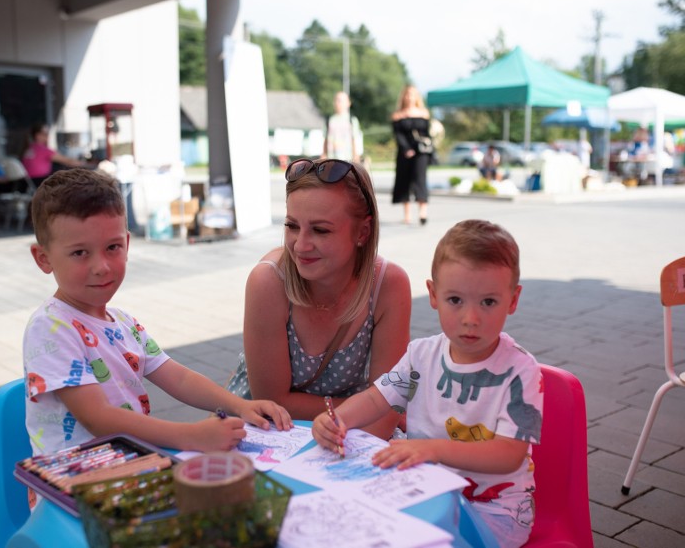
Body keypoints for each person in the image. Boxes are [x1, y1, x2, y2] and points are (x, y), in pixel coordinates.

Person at [23, 168, 291, 462]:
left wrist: (239, 405)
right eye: (79, 253)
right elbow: (98, 419)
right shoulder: (50, 328)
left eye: (112, 247)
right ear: (43, 258)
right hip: (73, 482)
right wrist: (191, 436)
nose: (101, 266)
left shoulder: (124, 323)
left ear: (127, 244)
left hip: (130, 463)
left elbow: (179, 378)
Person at [312, 219, 543, 547]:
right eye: (455, 300)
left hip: (494, 512)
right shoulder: (421, 355)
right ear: (434, 294)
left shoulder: (521, 372)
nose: (470, 318)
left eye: (488, 302)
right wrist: (339, 419)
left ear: (513, 300)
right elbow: (377, 397)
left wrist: (431, 449)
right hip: (423, 489)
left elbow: (508, 455)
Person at [226, 158, 412, 440]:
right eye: (291, 225)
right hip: (268, 429)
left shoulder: (389, 284)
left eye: (320, 230)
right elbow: (273, 402)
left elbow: (387, 409)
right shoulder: (269, 281)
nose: (300, 245)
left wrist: (378, 410)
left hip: (352, 432)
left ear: (362, 232)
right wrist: (366, 407)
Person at [391, 85, 432, 225]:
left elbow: (428, 133)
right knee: (404, 180)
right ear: (403, 97)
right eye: (407, 94)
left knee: (420, 179)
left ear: (417, 97)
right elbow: (398, 135)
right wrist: (406, 149)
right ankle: (407, 214)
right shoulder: (398, 115)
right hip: (404, 152)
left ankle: (423, 212)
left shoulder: (424, 113)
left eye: (412, 94)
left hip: (421, 152)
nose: (409, 97)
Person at [21, 122, 92, 187]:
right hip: (40, 182)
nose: (48, 136)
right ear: (37, 135)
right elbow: (69, 162)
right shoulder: (44, 150)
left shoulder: (28, 148)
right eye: (45, 134)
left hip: (27, 183)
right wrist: (88, 164)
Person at [322, 91, 362, 164]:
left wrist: (356, 156)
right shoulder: (329, 120)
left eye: (341, 101)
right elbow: (326, 139)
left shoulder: (352, 120)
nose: (338, 103)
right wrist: (324, 154)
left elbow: (355, 139)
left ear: (348, 103)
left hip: (347, 160)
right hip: (331, 160)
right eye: (336, 100)